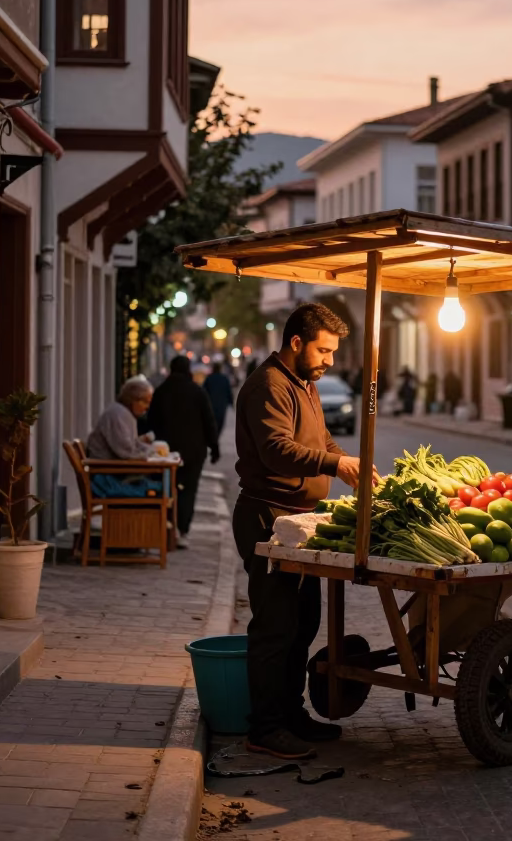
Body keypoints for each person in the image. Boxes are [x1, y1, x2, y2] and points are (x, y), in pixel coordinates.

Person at [233, 302, 378, 760]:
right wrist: (334, 463)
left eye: (334, 352)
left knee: (303, 625)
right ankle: (265, 727)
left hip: (298, 521)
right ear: (296, 342)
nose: (329, 361)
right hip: (267, 517)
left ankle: (291, 715)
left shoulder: (304, 384)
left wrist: (347, 461)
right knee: (275, 627)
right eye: (323, 350)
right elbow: (277, 451)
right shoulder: (268, 386)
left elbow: (320, 441)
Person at [148, 356, 220, 548]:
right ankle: (182, 530)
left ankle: (166, 527)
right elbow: (209, 421)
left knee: (165, 489)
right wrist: (214, 447)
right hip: (193, 452)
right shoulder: (197, 391)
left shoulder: (161, 391)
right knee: (188, 491)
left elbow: (151, 421)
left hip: (165, 452)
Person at [86, 378, 156, 460]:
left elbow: (133, 445)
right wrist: (149, 453)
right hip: (107, 468)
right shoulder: (118, 414)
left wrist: (152, 450)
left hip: (114, 466)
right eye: (145, 402)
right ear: (133, 399)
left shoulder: (125, 414)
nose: (147, 407)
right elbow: (126, 451)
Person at [203, 362, 235, 437]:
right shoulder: (224, 379)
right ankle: (216, 436)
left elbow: (204, 391)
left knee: (212, 422)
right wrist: (231, 402)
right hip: (222, 405)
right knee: (220, 422)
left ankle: (214, 436)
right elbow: (229, 391)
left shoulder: (209, 378)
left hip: (211, 404)